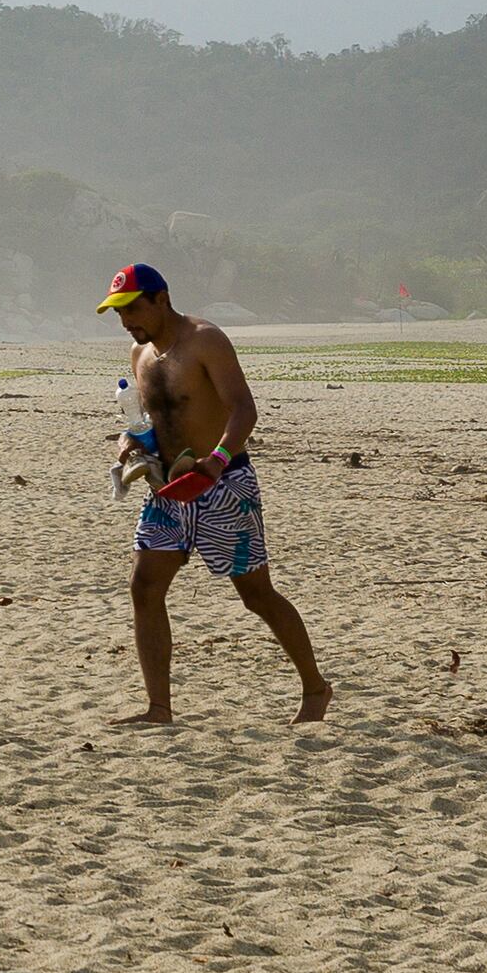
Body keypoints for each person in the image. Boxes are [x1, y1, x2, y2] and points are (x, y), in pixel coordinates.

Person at [98, 262, 333, 728]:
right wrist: (130, 443)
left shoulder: (206, 340)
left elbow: (243, 409)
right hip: (167, 487)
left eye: (132, 308)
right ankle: (158, 709)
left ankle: (316, 688)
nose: (126, 320)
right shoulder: (139, 356)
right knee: (144, 587)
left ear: (161, 299)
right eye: (117, 312)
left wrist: (219, 459)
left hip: (223, 482)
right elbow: (152, 420)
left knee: (257, 595)